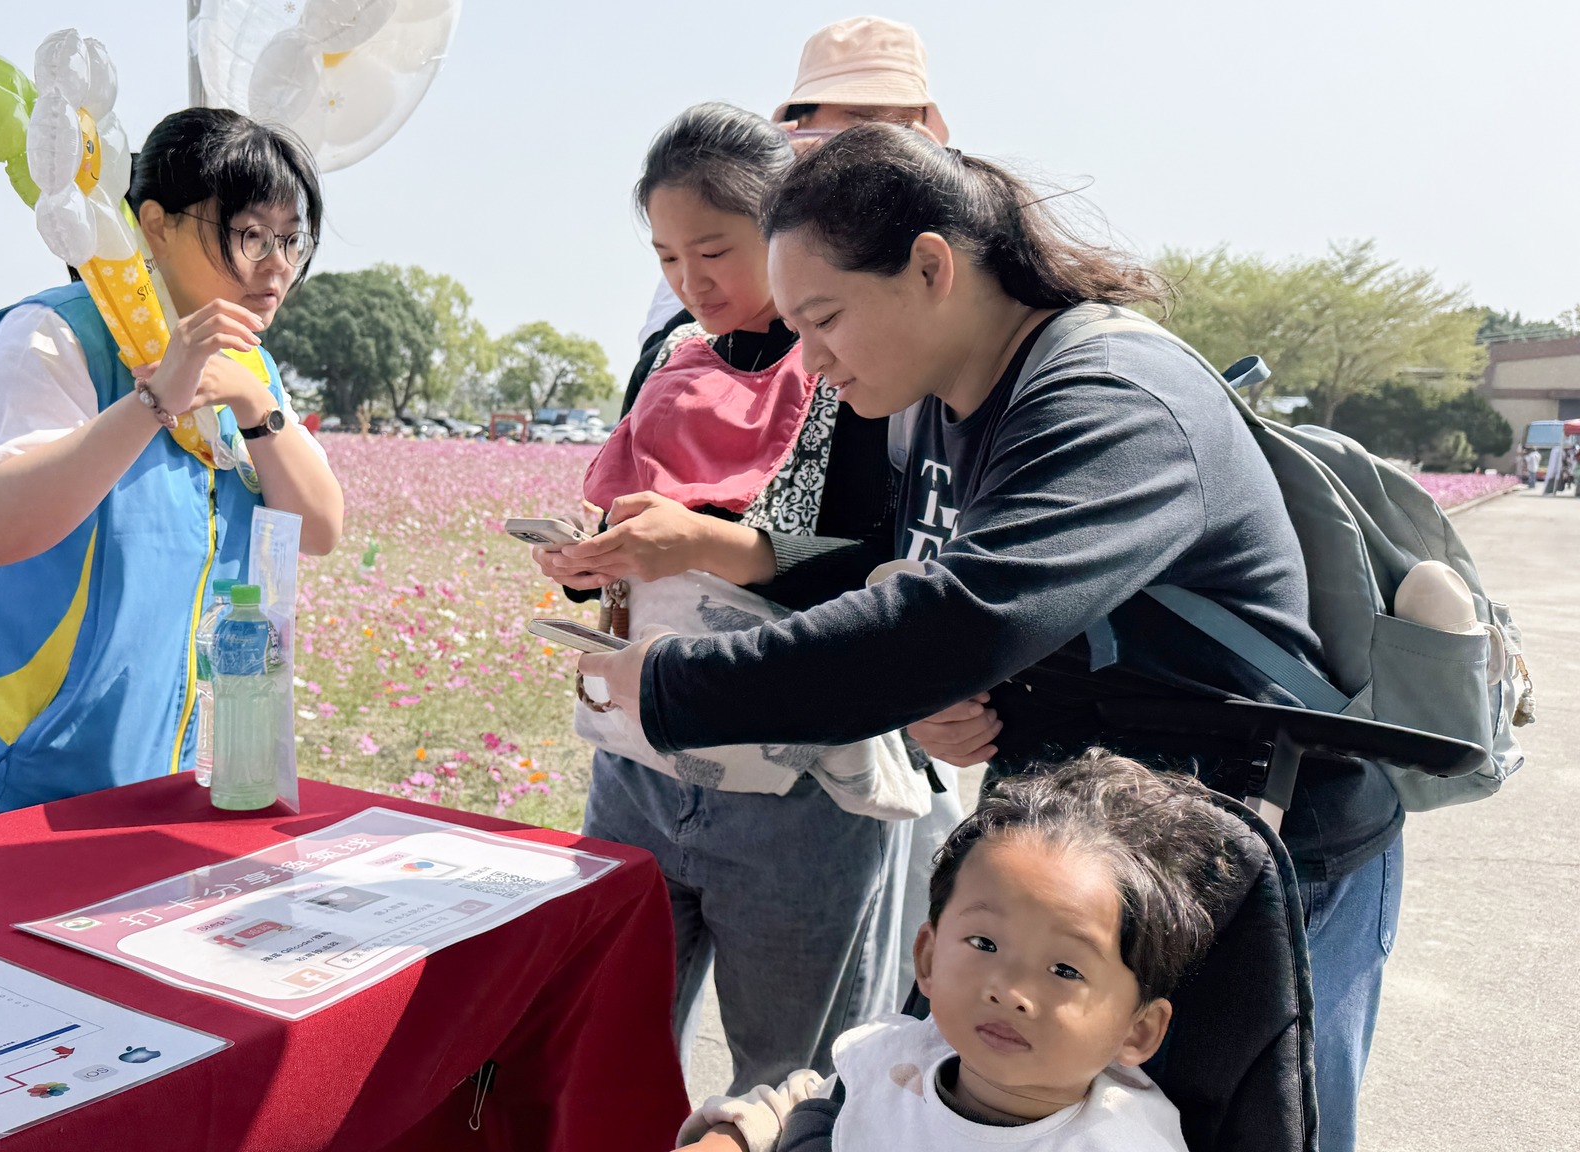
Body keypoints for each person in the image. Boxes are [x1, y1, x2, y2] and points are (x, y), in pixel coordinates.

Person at [578, 124, 1400, 1152]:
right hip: (1082, 858)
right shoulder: (930, 400)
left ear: (932, 267)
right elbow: (903, 583)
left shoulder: (1111, 396)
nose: (811, 359)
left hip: (1253, 857)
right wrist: (958, 696)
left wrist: (668, 685)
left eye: (824, 319)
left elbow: (961, 618)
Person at [536, 103, 912, 1094]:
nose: (689, 283)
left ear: (784, 232)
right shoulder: (669, 356)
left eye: (714, 252)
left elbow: (877, 563)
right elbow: (629, 511)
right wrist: (593, 559)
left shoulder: (847, 357)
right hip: (637, 764)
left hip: (794, 788)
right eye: (667, 258)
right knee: (610, 1051)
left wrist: (710, 544)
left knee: (787, 1084)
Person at [0, 108, 344, 826]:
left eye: (291, 240)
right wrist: (153, 400)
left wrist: (254, 404)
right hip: (27, 788)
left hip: (186, 782)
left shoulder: (252, 368)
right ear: (156, 225)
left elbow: (321, 528)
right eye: (250, 235)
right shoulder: (54, 334)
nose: (276, 266)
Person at [676, 751, 1243, 1152]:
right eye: (984, 943)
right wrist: (734, 1137)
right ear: (927, 958)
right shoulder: (901, 1056)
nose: (1008, 989)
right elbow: (820, 1101)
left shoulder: (1120, 1142)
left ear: (1137, 1031)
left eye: (1065, 969)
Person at [638, 16, 949, 345]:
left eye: (905, 133)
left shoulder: (936, 228)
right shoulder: (723, 221)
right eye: (864, 125)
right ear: (798, 127)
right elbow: (661, 350)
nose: (886, 150)